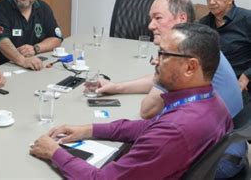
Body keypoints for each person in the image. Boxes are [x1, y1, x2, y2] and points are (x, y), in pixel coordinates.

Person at [30, 23, 233, 179]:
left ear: (190, 67)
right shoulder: (213, 102)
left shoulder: (175, 131)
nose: (155, 61)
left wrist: (54, 153)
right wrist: (89, 129)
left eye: (163, 54)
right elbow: (151, 126)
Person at [95, 0, 246, 178]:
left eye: (158, 18)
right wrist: (117, 87)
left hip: (215, 160)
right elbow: (155, 79)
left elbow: (147, 111)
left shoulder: (187, 59)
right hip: (224, 143)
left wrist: (162, 67)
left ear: (181, 18)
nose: (150, 25)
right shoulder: (200, 44)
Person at [199, 0, 251, 93]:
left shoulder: (247, 19)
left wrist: (247, 76)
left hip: (242, 85)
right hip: (210, 84)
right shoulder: (203, 24)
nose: (211, 2)